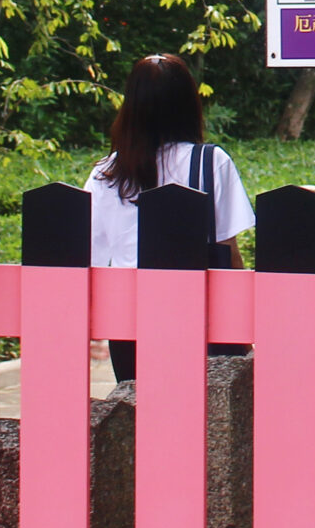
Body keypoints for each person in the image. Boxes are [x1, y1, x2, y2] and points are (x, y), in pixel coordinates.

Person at [88, 53, 254, 380]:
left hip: (129, 320)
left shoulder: (107, 173)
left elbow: (91, 258)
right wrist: (243, 322)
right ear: (188, 104)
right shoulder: (211, 162)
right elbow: (228, 249)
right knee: (209, 420)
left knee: (141, 414)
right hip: (202, 314)